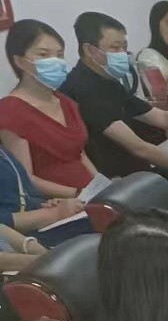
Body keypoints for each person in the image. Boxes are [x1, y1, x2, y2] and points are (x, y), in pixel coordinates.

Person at [60, 11, 168, 184]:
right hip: (118, 178)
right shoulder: (83, 88)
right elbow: (139, 148)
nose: (123, 53)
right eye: (115, 48)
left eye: (124, 47)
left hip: (136, 165)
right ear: (90, 50)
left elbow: (161, 117)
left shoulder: (106, 80)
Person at [0, 19, 98, 197]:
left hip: (89, 194)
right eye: (43, 55)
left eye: (59, 55)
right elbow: (26, 179)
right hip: (57, 203)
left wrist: (101, 186)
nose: (55, 61)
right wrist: (79, 194)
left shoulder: (66, 102)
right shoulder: (10, 111)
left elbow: (80, 155)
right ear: (20, 61)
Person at [0, 141, 90, 244]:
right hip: (26, 238)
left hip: (41, 222)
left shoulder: (4, 153)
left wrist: (51, 204)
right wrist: (55, 213)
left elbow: (26, 194)